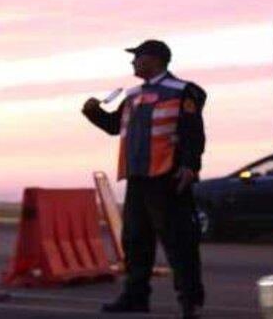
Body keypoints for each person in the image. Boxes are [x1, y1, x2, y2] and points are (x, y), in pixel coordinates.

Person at [82, 40, 206, 319]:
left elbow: (193, 131)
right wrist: (93, 112)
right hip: (137, 177)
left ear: (154, 59)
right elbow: (114, 127)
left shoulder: (183, 90)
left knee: (178, 241)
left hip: (168, 177)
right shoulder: (133, 95)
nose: (133, 62)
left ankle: (190, 301)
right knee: (135, 240)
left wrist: (190, 165)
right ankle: (135, 297)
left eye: (137, 57)